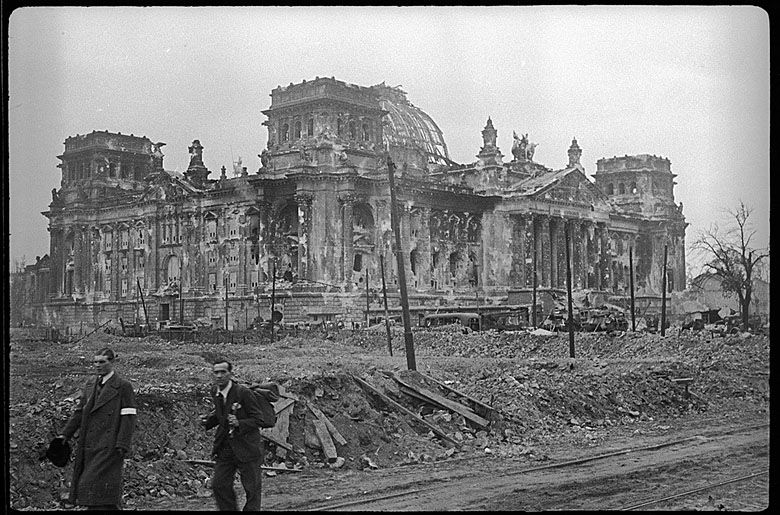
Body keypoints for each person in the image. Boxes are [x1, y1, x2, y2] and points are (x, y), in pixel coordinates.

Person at [58, 347, 137, 510]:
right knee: (96, 492)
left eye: (102, 362)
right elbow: (80, 412)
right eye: (95, 362)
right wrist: (65, 435)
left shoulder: (123, 387)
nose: (97, 365)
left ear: (112, 362)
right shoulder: (90, 385)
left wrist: (122, 444)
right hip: (89, 445)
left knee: (91, 483)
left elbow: (128, 417)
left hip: (110, 446)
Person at [201, 360, 266, 511]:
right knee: (219, 485)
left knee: (252, 489)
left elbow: (259, 419)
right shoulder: (215, 392)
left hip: (247, 446)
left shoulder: (243, 393)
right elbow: (221, 415)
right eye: (216, 372)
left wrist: (239, 423)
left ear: (230, 374)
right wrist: (207, 421)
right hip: (226, 446)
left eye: (223, 372)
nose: (219, 376)